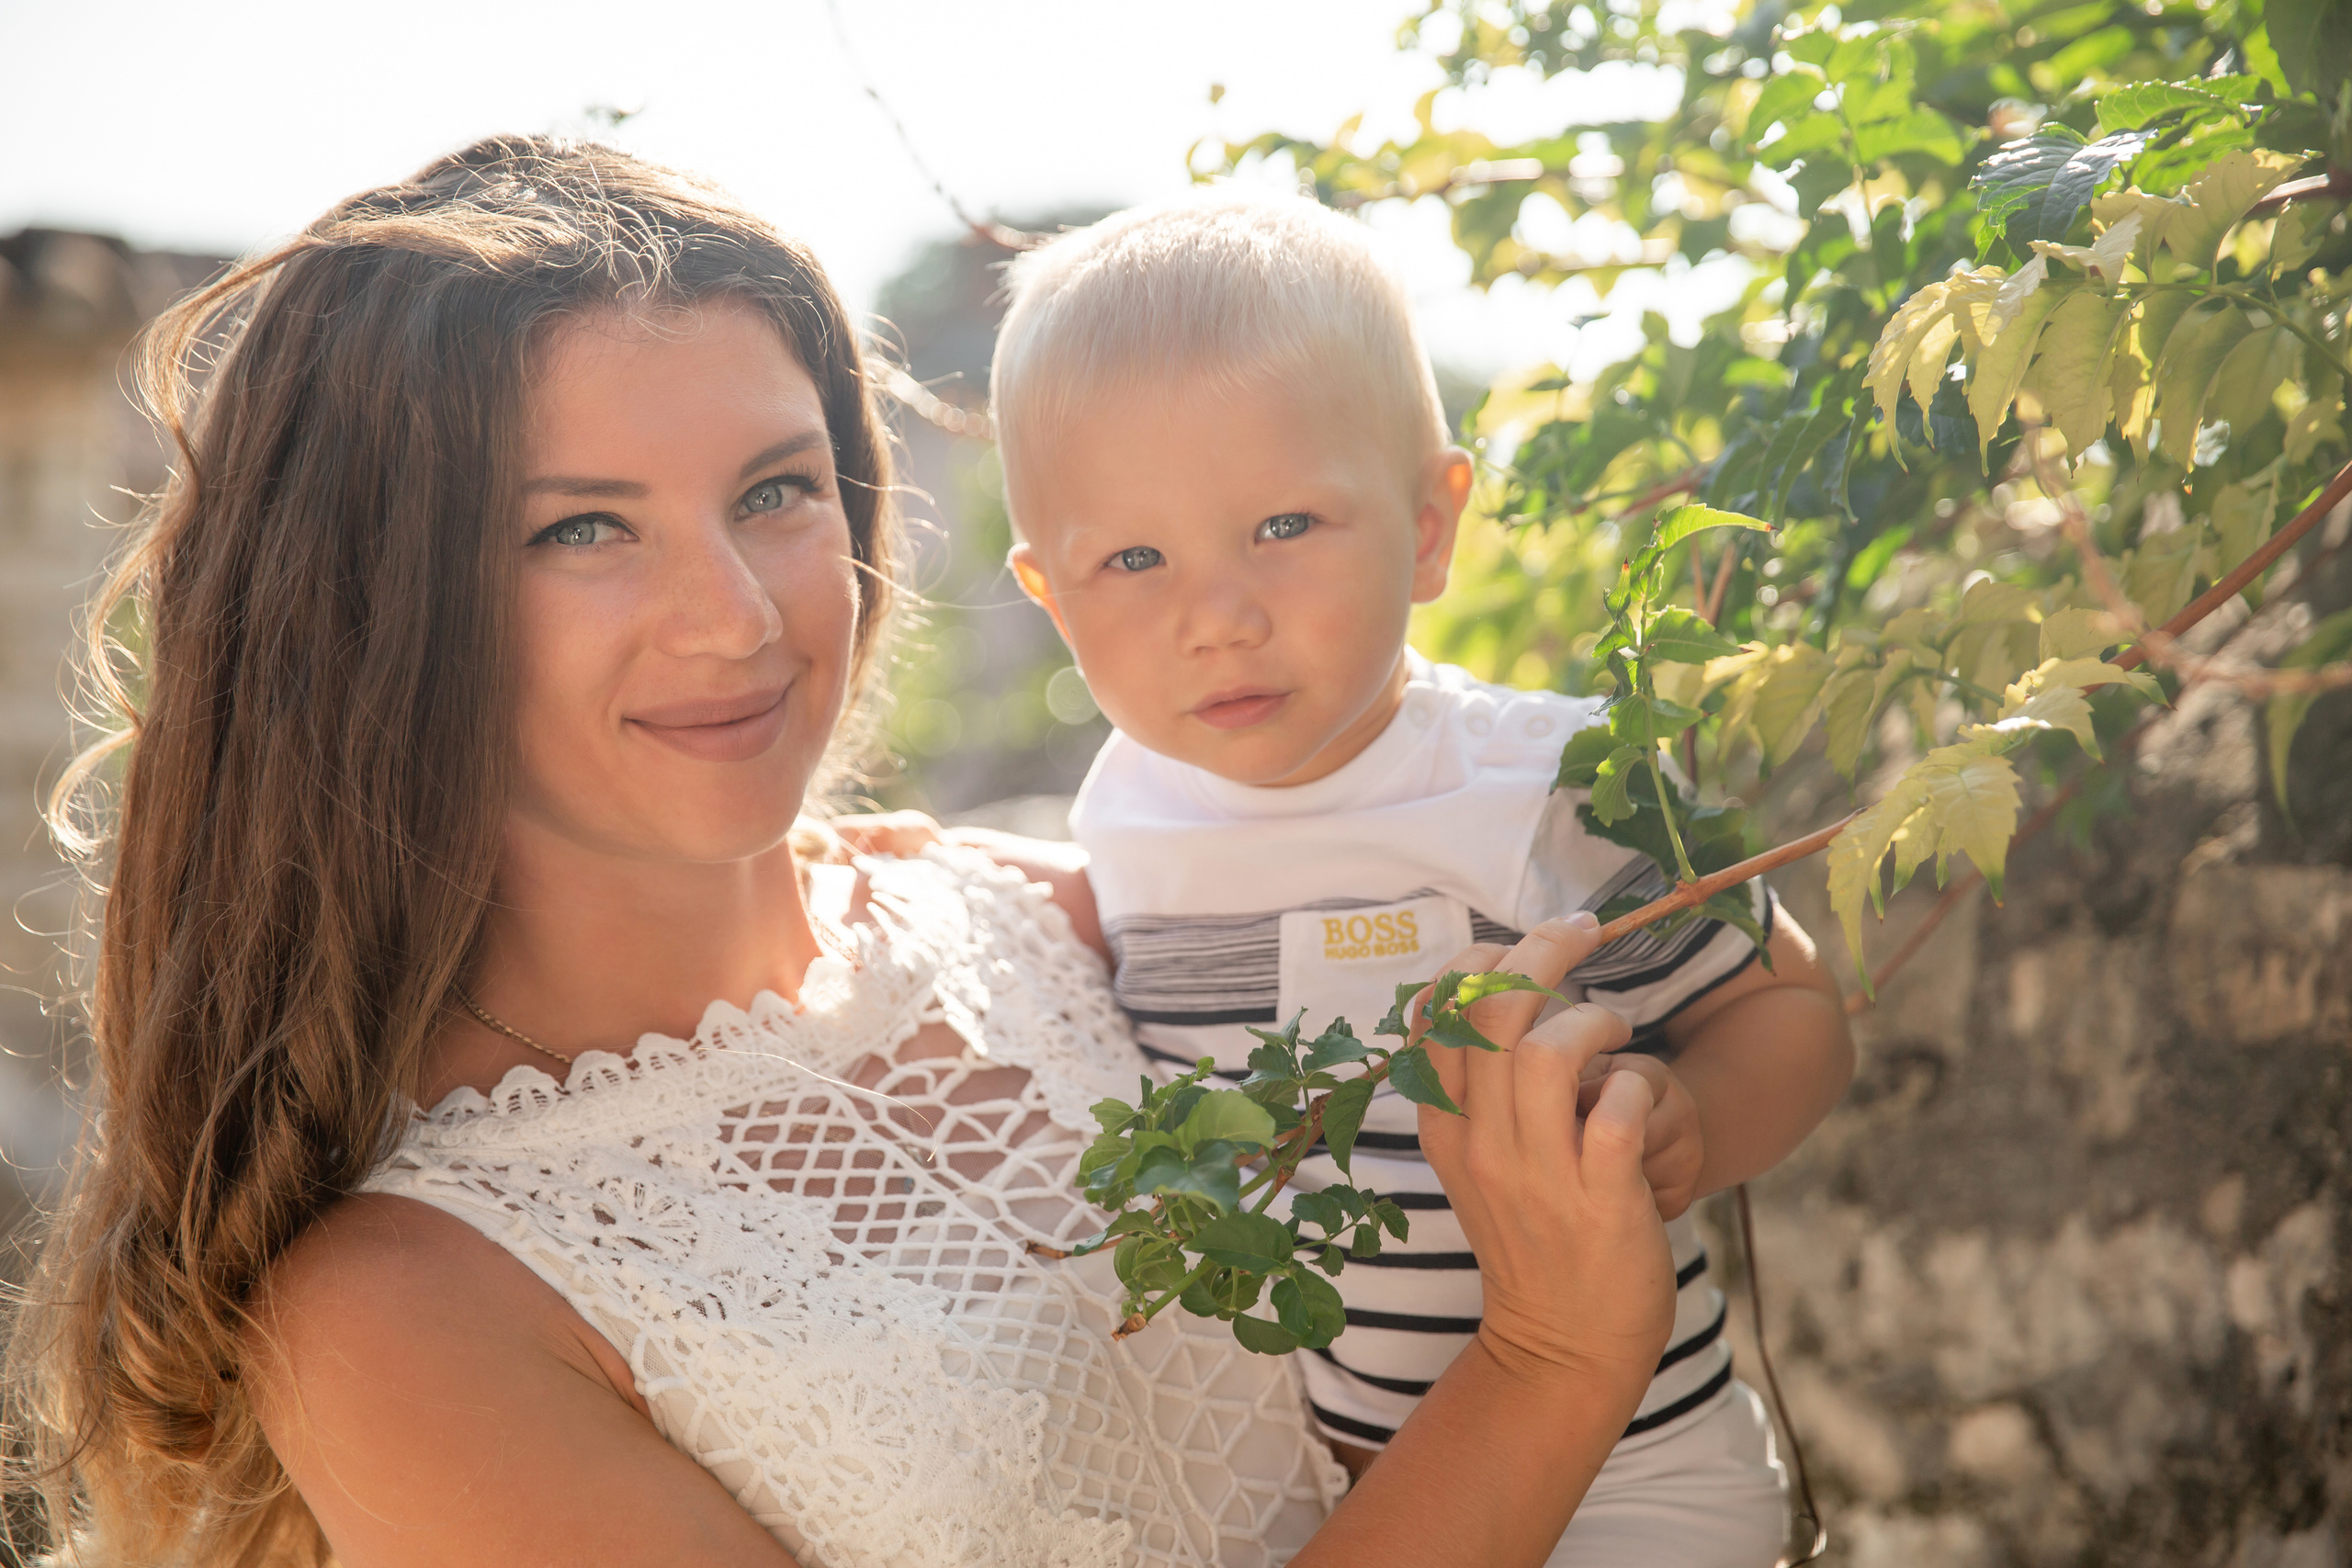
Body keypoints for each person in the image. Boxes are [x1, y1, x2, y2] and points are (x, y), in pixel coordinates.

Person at [6, 136, 1684, 1568]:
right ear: (374, 610)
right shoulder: (402, 1319)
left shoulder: (1063, 912)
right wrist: (1549, 1355)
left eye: (777, 492)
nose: (736, 619)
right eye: (581, 528)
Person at [969, 195, 1858, 1568]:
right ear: (1049, 593)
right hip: (1351, 1499)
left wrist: (1700, 1115)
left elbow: (1794, 1009)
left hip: (1634, 1469)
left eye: (1283, 525)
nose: (1219, 615)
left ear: (1431, 525)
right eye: (1134, 559)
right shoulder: (1126, 821)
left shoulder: (1548, 784)